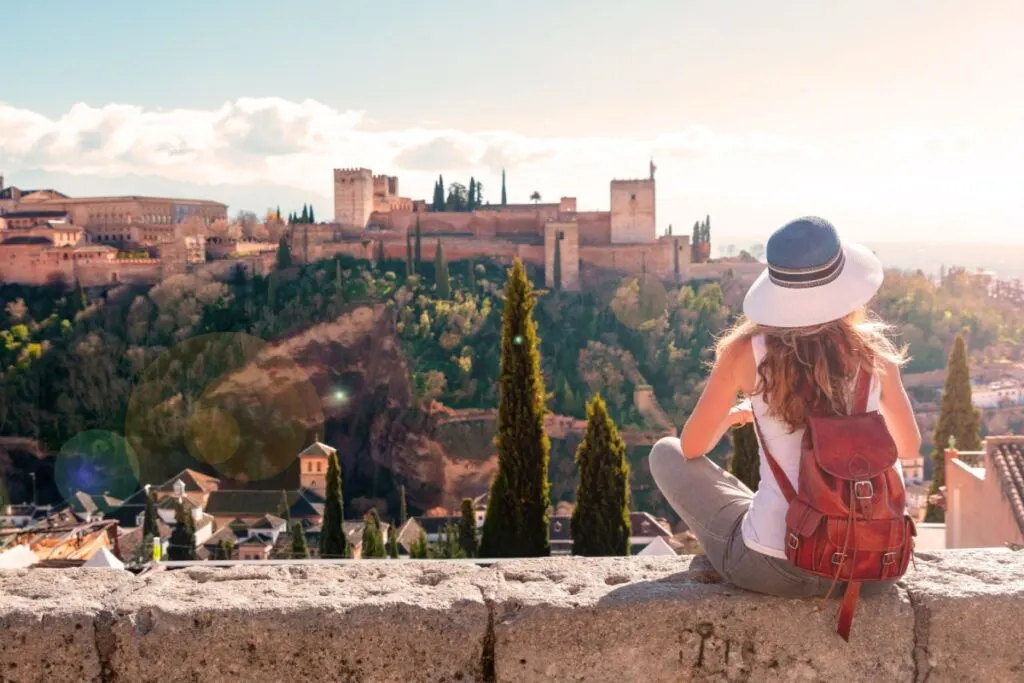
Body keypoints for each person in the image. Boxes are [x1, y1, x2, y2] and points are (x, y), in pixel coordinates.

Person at [649, 216, 920, 597]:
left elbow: (692, 448)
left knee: (665, 453)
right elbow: (908, 448)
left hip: (774, 567)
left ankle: (769, 518)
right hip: (873, 567)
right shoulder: (874, 353)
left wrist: (731, 418)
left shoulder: (744, 353)